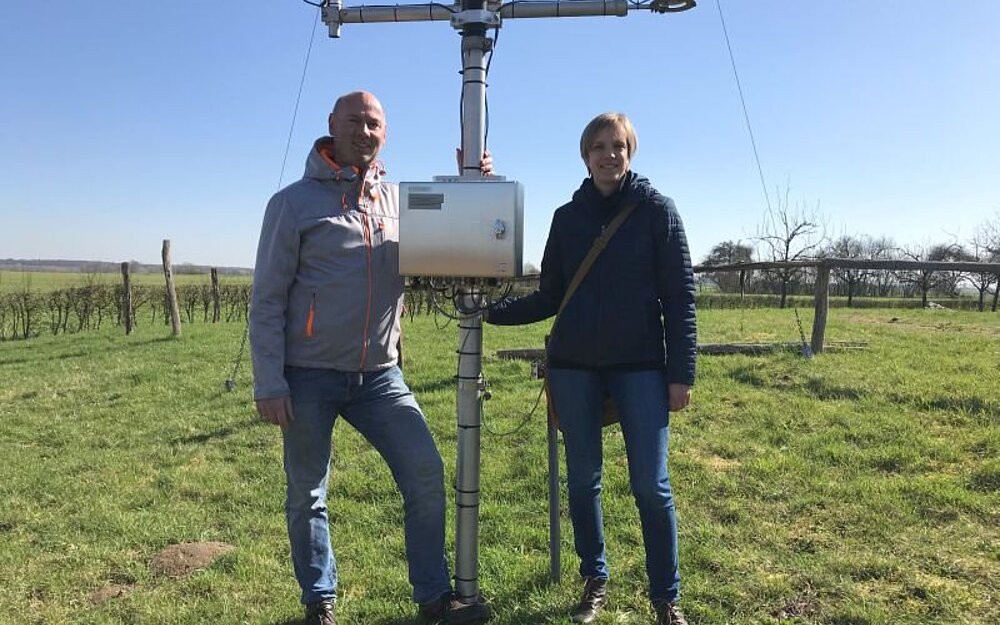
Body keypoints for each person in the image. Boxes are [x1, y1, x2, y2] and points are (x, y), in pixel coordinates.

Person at [249, 90, 492, 625]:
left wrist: (469, 186)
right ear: (332, 125)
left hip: (380, 376)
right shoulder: (292, 204)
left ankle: (432, 598)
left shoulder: (398, 202)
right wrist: (269, 382)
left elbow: (452, 239)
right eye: (354, 120)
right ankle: (320, 602)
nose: (365, 130)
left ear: (386, 133)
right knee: (308, 492)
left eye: (375, 123)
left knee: (425, 476)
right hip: (307, 376)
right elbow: (266, 298)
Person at [484, 112, 696, 625]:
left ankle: (666, 596)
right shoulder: (567, 217)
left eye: (618, 146)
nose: (609, 154)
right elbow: (552, 295)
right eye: (598, 146)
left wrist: (680, 373)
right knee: (583, 481)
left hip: (641, 368)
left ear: (630, 153)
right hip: (575, 367)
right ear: (585, 155)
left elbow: (680, 297)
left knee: (651, 484)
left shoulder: (658, 212)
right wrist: (489, 312)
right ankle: (594, 577)